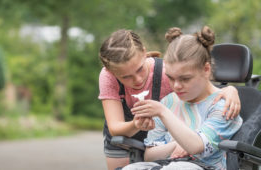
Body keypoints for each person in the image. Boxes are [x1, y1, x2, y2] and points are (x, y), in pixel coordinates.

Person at [98, 29, 241, 170]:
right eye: (171, 78)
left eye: (184, 79)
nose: (177, 86)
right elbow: (149, 156)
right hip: (161, 159)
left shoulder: (223, 106)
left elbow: (197, 146)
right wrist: (174, 143)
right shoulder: (169, 101)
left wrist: (231, 89)